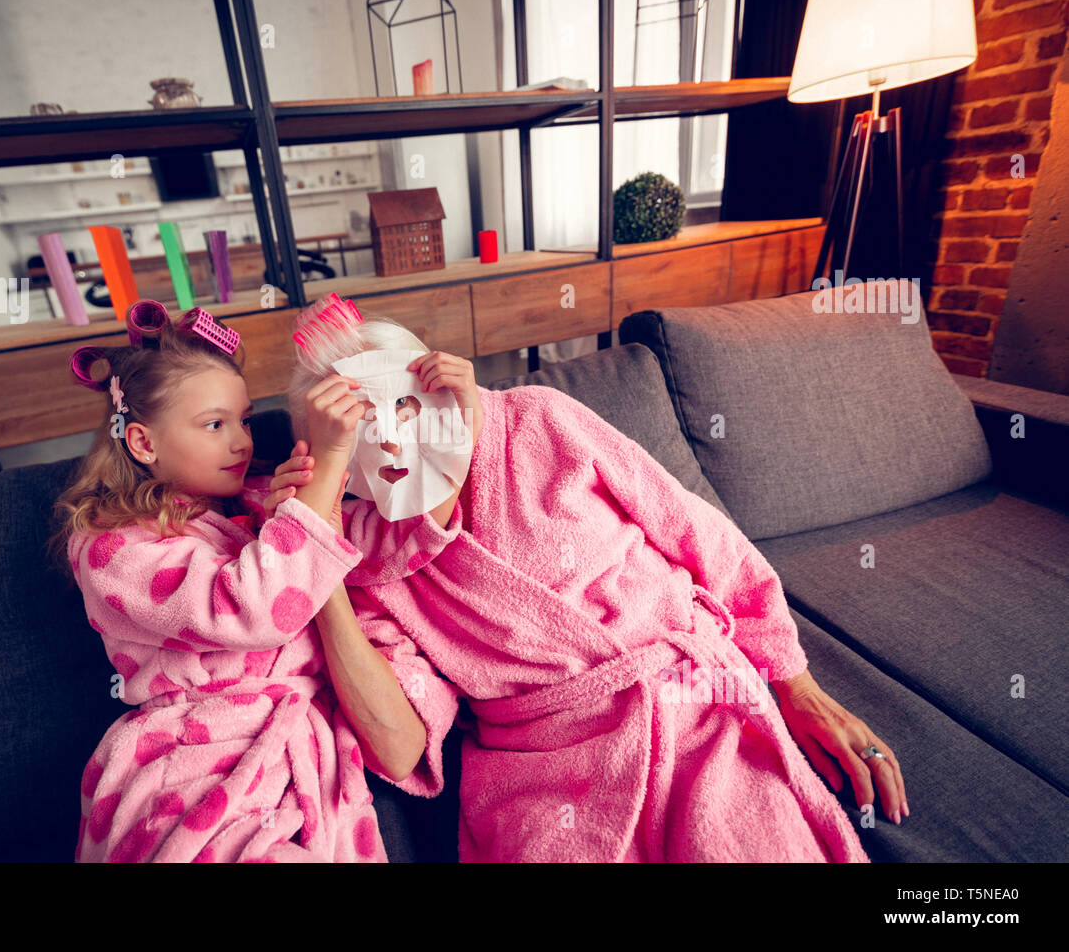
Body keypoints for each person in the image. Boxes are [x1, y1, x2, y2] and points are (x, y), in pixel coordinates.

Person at [281, 293, 907, 862]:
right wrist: (319, 561)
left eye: (406, 408)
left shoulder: (537, 421)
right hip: (547, 771)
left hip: (691, 703)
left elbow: (699, 533)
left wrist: (797, 688)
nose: (393, 444)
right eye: (359, 439)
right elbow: (398, 746)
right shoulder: (370, 564)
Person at [47, 300, 435, 862]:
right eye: (214, 424)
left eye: (245, 420)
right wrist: (323, 471)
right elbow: (247, 608)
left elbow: (367, 549)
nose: (241, 441)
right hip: (192, 762)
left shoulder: (257, 503)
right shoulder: (113, 548)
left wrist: (437, 473)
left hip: (299, 756)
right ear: (143, 443)